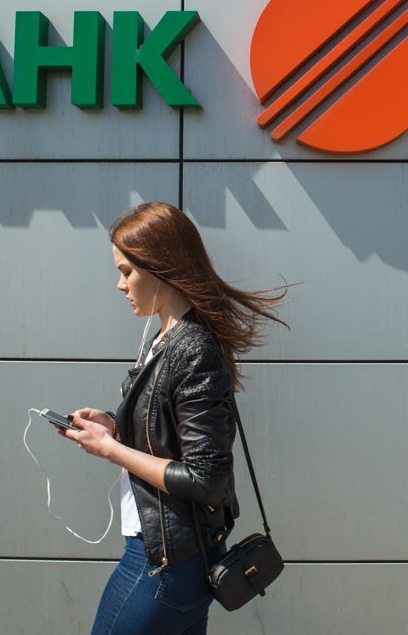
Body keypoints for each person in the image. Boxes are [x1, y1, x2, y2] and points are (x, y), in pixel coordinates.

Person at [58, 201, 289, 635]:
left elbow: (206, 477)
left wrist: (111, 450)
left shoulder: (192, 347)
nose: (120, 284)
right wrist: (114, 426)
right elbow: (170, 434)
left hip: (163, 564)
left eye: (127, 271)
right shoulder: (165, 338)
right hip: (175, 560)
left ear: (161, 267)